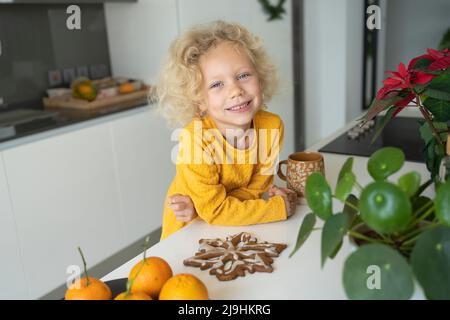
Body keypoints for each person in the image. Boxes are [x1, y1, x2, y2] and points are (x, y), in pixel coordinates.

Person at [154, 20, 297, 240]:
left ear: (260, 77)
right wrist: (277, 208)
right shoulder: (196, 140)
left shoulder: (272, 127)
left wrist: (207, 206)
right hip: (188, 231)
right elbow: (217, 211)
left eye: (243, 76)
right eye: (216, 84)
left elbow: (255, 190)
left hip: (231, 225)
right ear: (199, 101)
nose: (236, 90)